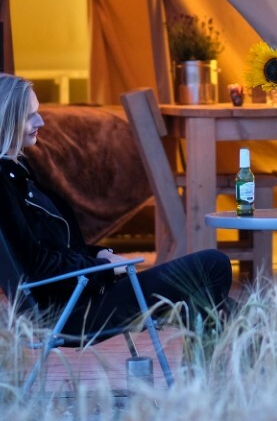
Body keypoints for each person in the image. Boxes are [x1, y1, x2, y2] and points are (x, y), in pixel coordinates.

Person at [0, 72, 233, 333]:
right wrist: (102, 268)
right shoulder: (6, 185)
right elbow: (36, 265)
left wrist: (97, 254)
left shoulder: (19, 173)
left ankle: (233, 351)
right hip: (73, 309)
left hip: (83, 294)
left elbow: (54, 247)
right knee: (212, 264)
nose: (41, 121)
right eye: (30, 115)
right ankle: (240, 352)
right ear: (6, 118)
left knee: (210, 291)